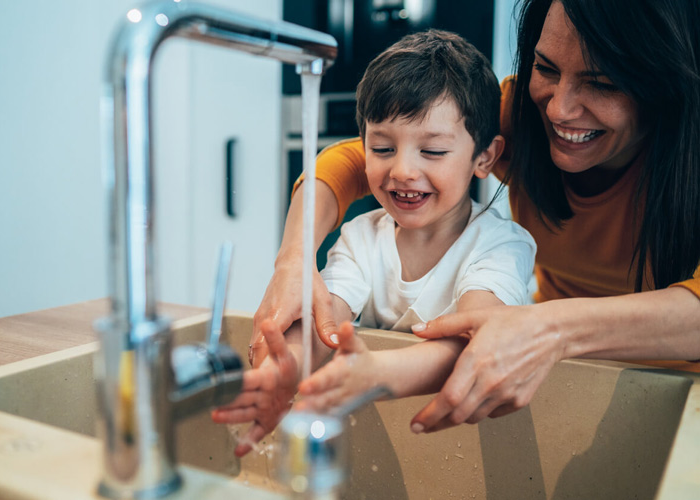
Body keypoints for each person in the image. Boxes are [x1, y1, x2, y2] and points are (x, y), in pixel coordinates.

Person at [252, 0, 700, 434]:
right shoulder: (523, 115)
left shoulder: (499, 244)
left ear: (665, 78)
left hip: (679, 391)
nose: (559, 109)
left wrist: (551, 328)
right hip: (550, 371)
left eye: (601, 82)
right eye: (545, 68)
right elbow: (352, 161)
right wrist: (293, 259)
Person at [212, 29, 536, 454]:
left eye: (433, 152)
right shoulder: (361, 237)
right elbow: (327, 319)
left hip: (481, 448)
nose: (402, 170)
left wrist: (376, 372)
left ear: (484, 157)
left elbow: (479, 339)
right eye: (382, 148)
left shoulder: (502, 244)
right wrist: (284, 366)